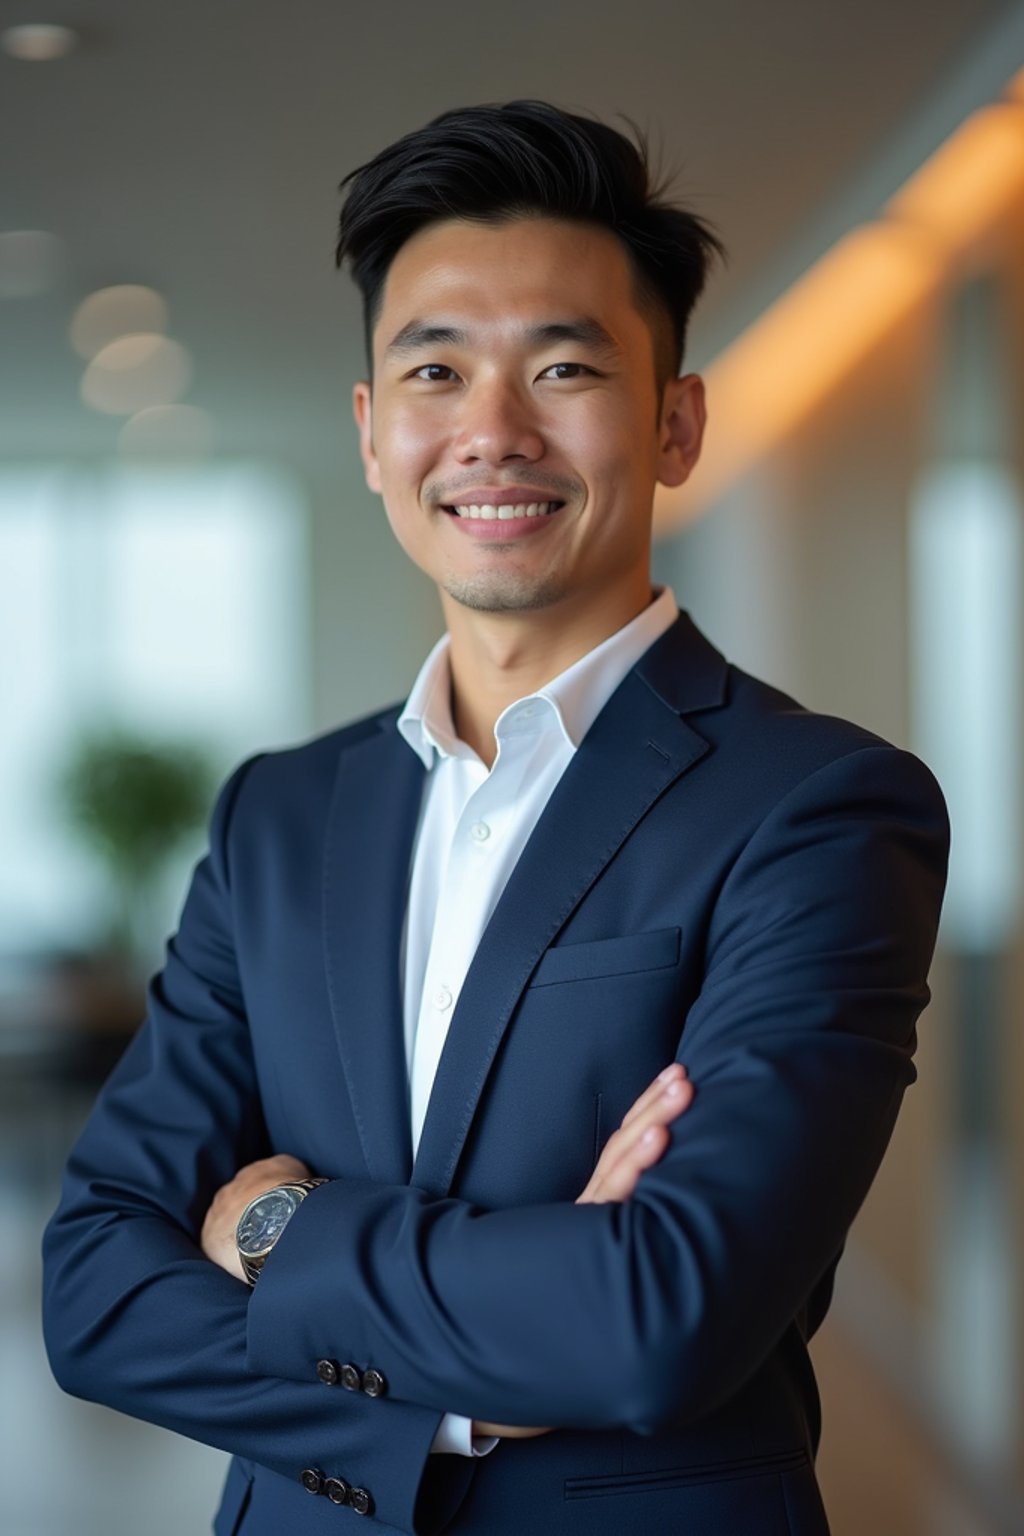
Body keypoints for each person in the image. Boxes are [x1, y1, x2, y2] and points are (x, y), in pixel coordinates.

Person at [42, 101, 949, 1535]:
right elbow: (95, 1287)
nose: (492, 433)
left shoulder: (822, 807)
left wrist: (271, 1231)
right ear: (369, 432)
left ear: (675, 422)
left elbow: (662, 1315)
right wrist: (467, 1386)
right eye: (435, 370)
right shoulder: (281, 814)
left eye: (566, 366)